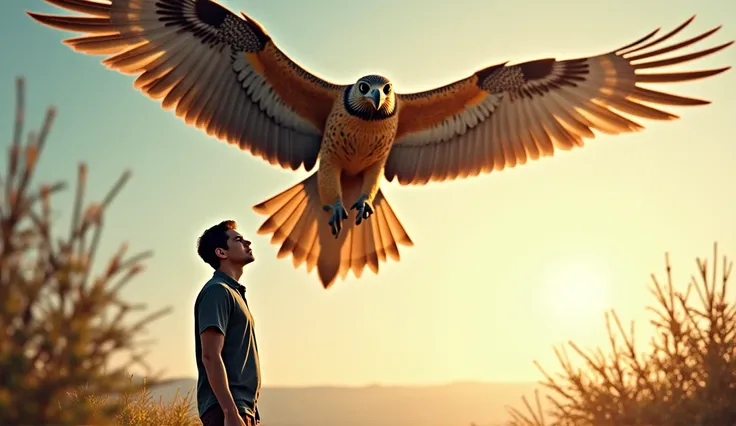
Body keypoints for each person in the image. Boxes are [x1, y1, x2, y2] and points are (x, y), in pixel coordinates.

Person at [194, 220, 261, 426]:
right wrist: (230, 412)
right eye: (238, 240)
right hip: (227, 412)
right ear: (221, 253)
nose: (248, 242)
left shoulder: (232, 292)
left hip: (241, 410)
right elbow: (210, 355)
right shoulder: (218, 291)